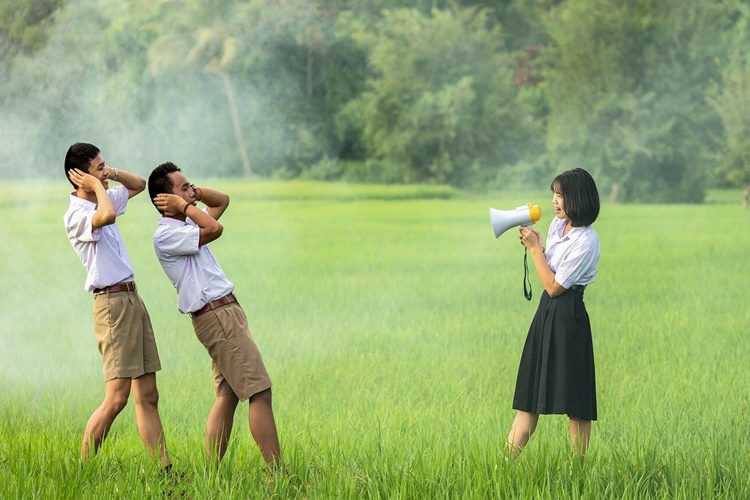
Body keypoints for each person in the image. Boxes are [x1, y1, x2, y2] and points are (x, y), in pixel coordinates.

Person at [147, 162, 281, 467]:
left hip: (224, 313)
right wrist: (184, 205)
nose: (191, 194)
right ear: (165, 200)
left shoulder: (187, 225)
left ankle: (211, 473)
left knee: (228, 395)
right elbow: (215, 228)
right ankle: (279, 474)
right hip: (217, 316)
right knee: (259, 391)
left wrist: (192, 194)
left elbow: (222, 201)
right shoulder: (167, 235)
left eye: (190, 186)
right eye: (183, 188)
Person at [63, 142, 171, 468]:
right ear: (81, 177)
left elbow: (138, 185)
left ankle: (164, 471)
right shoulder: (77, 215)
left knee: (148, 395)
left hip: (131, 299)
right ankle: (82, 470)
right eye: (99, 167)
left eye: (105, 166)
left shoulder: (103, 196)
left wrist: (108, 175)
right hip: (111, 304)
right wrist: (95, 185)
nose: (106, 173)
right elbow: (107, 215)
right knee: (117, 398)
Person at [505, 167, 601, 457]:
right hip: (546, 314)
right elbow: (549, 275)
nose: (555, 201)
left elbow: (554, 287)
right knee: (529, 396)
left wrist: (535, 250)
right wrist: (538, 247)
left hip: (568, 316)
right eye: (554, 195)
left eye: (561, 195)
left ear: (579, 199)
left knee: (576, 400)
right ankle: (504, 466)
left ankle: (578, 470)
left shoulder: (586, 241)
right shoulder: (559, 227)